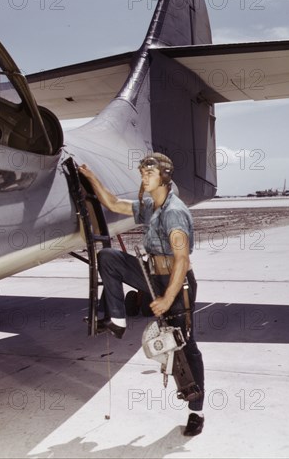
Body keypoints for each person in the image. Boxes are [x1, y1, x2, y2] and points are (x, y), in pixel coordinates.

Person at [78, 152, 205, 437]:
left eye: (149, 173)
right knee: (109, 257)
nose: (143, 178)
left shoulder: (174, 211)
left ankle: (196, 410)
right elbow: (112, 203)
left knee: (184, 345)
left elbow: (182, 261)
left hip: (176, 283)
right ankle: (118, 320)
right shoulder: (151, 207)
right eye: (142, 173)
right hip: (151, 275)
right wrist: (91, 178)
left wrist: (166, 298)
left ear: (165, 176)